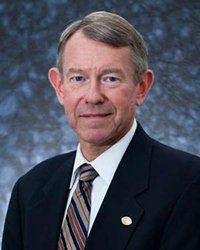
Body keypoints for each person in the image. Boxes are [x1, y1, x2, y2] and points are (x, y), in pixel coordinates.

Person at [2, 11, 200, 250]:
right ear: (59, 87)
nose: (93, 96)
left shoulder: (188, 184)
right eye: (78, 78)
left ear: (141, 87)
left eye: (111, 78)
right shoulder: (30, 189)